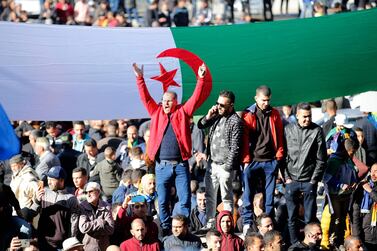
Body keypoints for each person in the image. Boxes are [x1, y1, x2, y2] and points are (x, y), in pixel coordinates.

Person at [132, 62, 211, 235]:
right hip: (161, 166)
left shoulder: (183, 112)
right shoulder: (156, 112)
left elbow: (196, 97)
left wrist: (201, 78)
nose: (166, 103)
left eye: (169, 101)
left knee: (184, 200)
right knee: (162, 201)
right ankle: (167, 229)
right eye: (164, 101)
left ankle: (182, 229)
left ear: (176, 102)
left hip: (181, 165)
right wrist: (140, 79)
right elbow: (145, 97)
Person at [241, 85, 284, 234]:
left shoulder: (275, 114)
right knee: (248, 194)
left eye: (268, 100)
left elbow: (279, 136)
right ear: (256, 98)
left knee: (269, 197)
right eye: (264, 100)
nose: (266, 103)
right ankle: (247, 223)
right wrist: (246, 161)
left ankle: (269, 224)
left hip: (270, 161)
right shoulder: (248, 114)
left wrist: (278, 157)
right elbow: (244, 139)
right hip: (252, 161)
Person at [198, 90, 243, 228]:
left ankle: (227, 225)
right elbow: (201, 125)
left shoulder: (235, 121)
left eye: (222, 105)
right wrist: (208, 115)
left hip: (224, 166)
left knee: (226, 198)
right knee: (210, 196)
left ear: (231, 105)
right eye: (217, 103)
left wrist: (227, 167)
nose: (219, 107)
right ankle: (210, 223)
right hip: (212, 164)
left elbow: (235, 147)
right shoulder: (217, 115)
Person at [283, 102, 327, 244]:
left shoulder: (317, 131)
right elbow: (282, 156)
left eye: (309, 116)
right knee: (291, 217)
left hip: (309, 180)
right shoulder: (288, 129)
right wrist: (287, 177)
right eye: (304, 116)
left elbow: (321, 159)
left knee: (310, 218)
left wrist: (313, 180)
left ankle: (310, 244)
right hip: (292, 180)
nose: (307, 119)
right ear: (297, 115)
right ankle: (295, 244)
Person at [323, 138, 359, 247]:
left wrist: (354, 182)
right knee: (336, 218)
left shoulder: (348, 159)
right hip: (335, 196)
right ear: (345, 150)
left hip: (347, 195)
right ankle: (332, 242)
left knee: (344, 218)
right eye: (352, 152)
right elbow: (327, 178)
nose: (353, 155)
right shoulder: (334, 160)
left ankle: (342, 241)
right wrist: (340, 184)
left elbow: (352, 173)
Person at [36, 166, 81, 251]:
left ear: (61, 180)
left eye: (52, 179)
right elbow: (33, 213)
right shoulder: (43, 192)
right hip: (42, 241)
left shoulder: (71, 199)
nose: (49, 182)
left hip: (60, 245)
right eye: (48, 179)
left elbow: (74, 224)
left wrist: (70, 242)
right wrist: (36, 201)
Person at [79, 182, 114, 251]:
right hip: (88, 247)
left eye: (91, 191)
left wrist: (92, 230)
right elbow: (83, 228)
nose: (88, 195)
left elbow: (110, 229)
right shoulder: (82, 206)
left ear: (98, 192)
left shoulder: (106, 206)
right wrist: (100, 222)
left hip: (103, 247)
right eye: (86, 193)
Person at [352, 163, 377, 251]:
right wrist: (356, 237)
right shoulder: (362, 188)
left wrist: (370, 190)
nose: (373, 174)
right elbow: (355, 214)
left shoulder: (368, 189)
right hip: (365, 237)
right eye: (372, 171)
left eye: (376, 171)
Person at [9, 154, 39, 223]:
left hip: (27, 215)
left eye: (15, 165)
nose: (13, 168)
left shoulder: (29, 178)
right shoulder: (16, 175)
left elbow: (37, 199)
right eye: (11, 166)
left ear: (22, 164)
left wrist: (30, 214)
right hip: (17, 213)